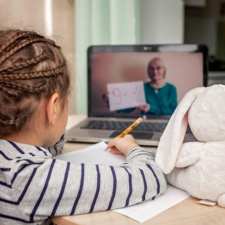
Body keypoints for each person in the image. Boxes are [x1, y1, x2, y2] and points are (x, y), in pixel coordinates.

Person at [0, 30, 167, 225]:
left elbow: (46, 148)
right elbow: (150, 177)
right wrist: (131, 148)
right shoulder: (28, 180)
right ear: (54, 107)